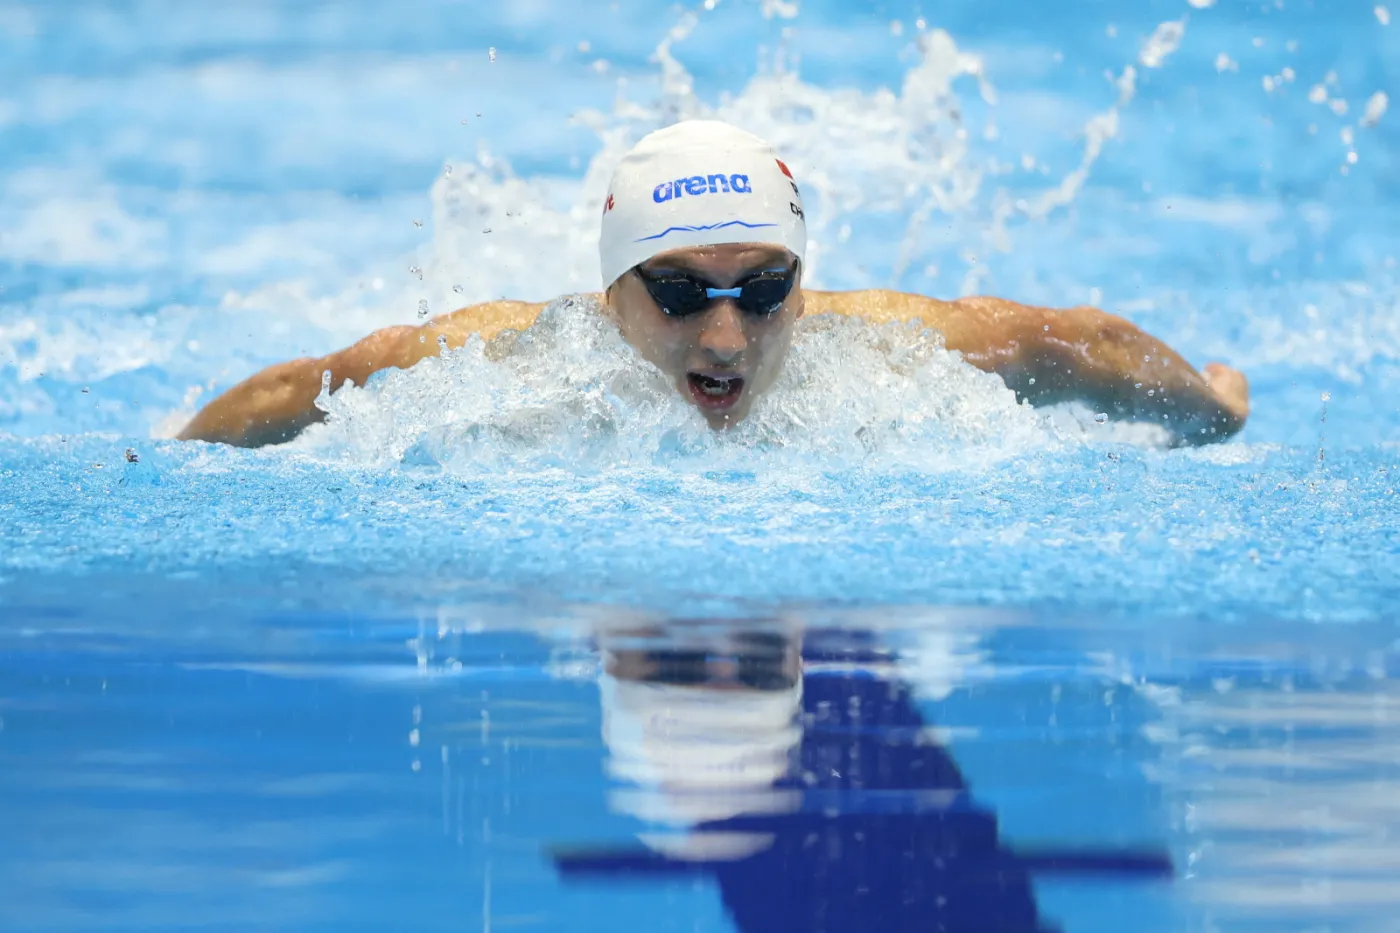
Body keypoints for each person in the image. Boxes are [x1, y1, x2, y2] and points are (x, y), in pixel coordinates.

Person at [178, 120, 1249, 449]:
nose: (727, 339)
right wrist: (171, 462)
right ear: (611, 292)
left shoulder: (885, 349)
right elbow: (310, 384)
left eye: (764, 291)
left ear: (803, 285)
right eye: (682, 293)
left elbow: (1080, 341)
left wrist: (1210, 411)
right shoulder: (507, 362)